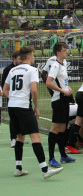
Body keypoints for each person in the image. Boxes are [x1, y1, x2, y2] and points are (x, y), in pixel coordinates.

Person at [3, 46, 63, 179]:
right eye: (33, 56)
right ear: (29, 57)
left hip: (12, 106)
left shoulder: (12, 70)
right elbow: (34, 90)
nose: (34, 58)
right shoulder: (32, 69)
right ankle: (45, 169)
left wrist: (13, 98)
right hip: (24, 107)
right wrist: (36, 107)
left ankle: (18, 168)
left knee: (19, 136)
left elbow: (5, 89)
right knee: (35, 136)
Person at [46, 42, 77, 168]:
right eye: (64, 50)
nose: (67, 52)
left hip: (64, 99)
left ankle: (63, 155)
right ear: (58, 52)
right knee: (55, 128)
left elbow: (62, 82)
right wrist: (62, 91)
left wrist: (67, 88)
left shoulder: (62, 64)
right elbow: (49, 83)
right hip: (58, 100)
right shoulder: (55, 65)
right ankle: (51, 158)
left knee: (64, 128)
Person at [1, 51, 22, 148]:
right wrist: (10, 96)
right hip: (12, 98)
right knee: (13, 119)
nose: (21, 61)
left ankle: (20, 137)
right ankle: (13, 139)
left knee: (21, 118)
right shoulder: (8, 70)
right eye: (19, 59)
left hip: (22, 98)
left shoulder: (22, 69)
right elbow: (4, 86)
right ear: (14, 59)